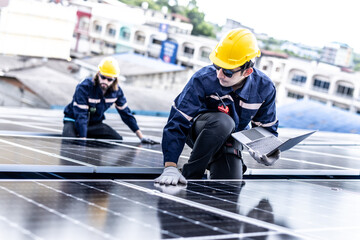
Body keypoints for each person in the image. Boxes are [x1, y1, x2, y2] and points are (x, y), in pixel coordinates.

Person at [155, 28, 280, 185]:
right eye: (217, 66)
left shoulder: (264, 88)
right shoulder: (203, 79)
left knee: (229, 185)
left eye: (227, 72)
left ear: (247, 72)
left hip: (230, 138)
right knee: (223, 122)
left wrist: (266, 151)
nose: (219, 74)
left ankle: (217, 160)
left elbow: (267, 131)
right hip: (198, 131)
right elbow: (177, 122)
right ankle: (191, 175)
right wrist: (170, 166)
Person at [62, 57, 158, 144]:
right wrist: (83, 140)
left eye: (109, 79)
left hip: (93, 125)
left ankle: (85, 137)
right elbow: (81, 115)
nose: (105, 81)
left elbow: (126, 114)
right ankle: (80, 135)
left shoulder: (116, 92)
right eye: (103, 77)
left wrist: (141, 136)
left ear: (114, 80)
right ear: (98, 74)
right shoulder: (84, 87)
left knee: (116, 139)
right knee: (72, 143)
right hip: (73, 121)